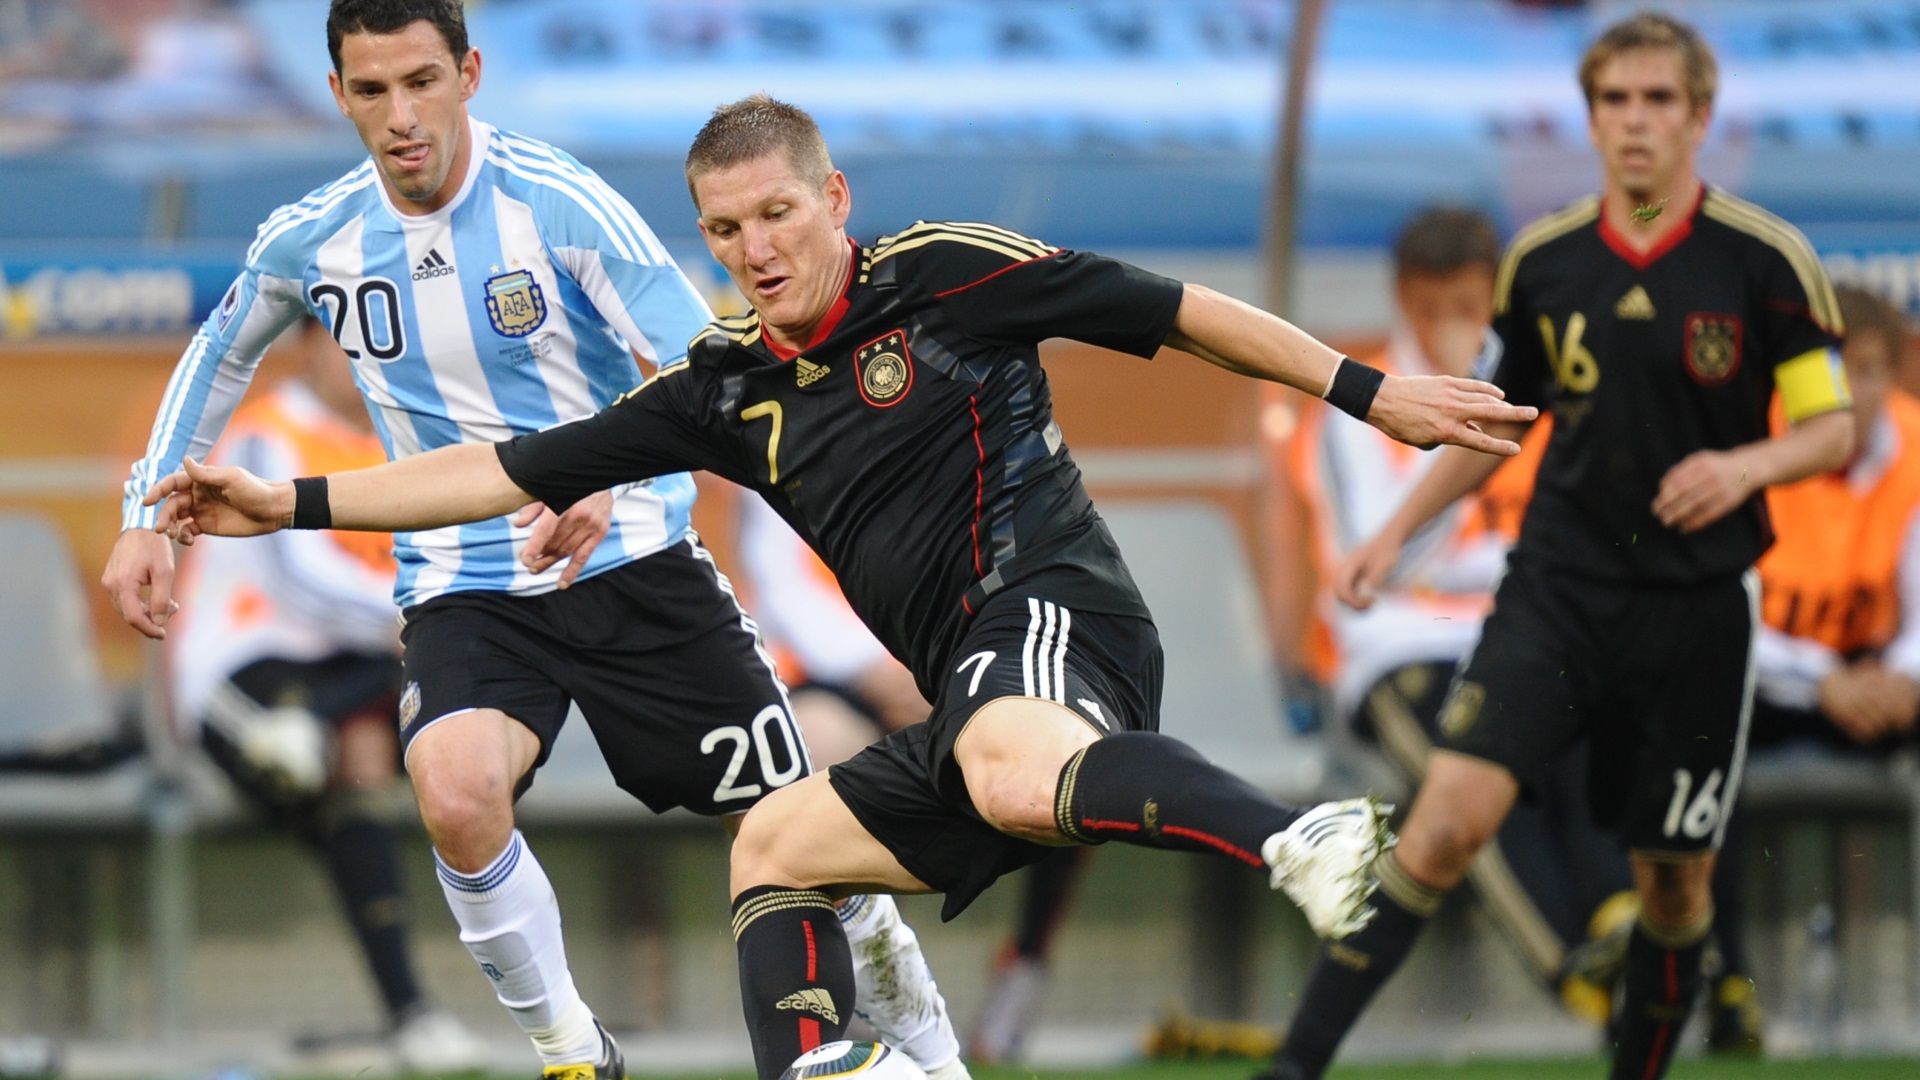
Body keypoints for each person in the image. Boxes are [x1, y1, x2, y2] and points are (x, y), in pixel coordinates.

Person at [142, 93, 1535, 1080]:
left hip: (1057, 618)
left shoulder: (942, 276)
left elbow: (1169, 313)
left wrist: (1372, 392)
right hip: (981, 698)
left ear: (832, 202)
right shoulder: (722, 382)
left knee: (997, 754)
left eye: (777, 213)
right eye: (727, 227)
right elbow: (503, 467)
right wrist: (286, 503)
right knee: (774, 849)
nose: (757, 247)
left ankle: (1304, 839)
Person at [101, 6, 964, 1078]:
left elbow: (701, 362)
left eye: (422, 81)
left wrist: (612, 471)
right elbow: (215, 356)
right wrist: (148, 516)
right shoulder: (312, 236)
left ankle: (918, 1029)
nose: (401, 116)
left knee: (803, 837)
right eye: (372, 92)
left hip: (637, 568)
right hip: (466, 583)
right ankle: (572, 1052)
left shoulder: (557, 202)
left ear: (469, 72)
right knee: (456, 789)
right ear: (338, 95)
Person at [1260, 14, 1856, 1080]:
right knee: (1442, 827)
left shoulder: (1766, 264)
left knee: (1674, 887)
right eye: (1614, 101)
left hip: (1696, 609)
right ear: (1589, 119)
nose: (1635, 122)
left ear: (1699, 116)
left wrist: (1747, 468)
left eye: (1657, 100)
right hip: (1558, 596)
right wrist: (1394, 535)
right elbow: (1495, 422)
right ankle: (1295, 1067)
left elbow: (1832, 427)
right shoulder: (1546, 263)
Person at [1283, 206, 1635, 1026]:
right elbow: (1384, 562)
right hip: (1396, 652)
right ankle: (1573, 970)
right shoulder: (1359, 403)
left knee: (1584, 716)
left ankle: (1619, 916)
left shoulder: (1540, 388)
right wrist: (1463, 442)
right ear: (1404, 297)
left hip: (1511, 631)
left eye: (1472, 308)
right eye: (1436, 308)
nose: (1456, 327)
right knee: (1466, 771)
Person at [167, 316, 485, 1069]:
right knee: (338, 763)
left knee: (344, 777)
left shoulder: (396, 447)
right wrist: (412, 617)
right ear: (306, 348)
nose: (359, 363)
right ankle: (411, 1015)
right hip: (246, 665)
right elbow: (299, 579)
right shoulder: (265, 435)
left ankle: (414, 1019)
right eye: (343, 344)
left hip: (349, 672)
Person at [1706, 284, 1920, 1054]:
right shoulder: (1744, 453)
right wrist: (1822, 683)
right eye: (1825, 370)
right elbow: (1721, 611)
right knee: (1696, 723)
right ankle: (1723, 986)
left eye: (1866, 370)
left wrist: (1903, 676)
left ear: (1893, 376)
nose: (1848, 393)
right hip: (1766, 682)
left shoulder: (1916, 450)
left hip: (1879, 682)